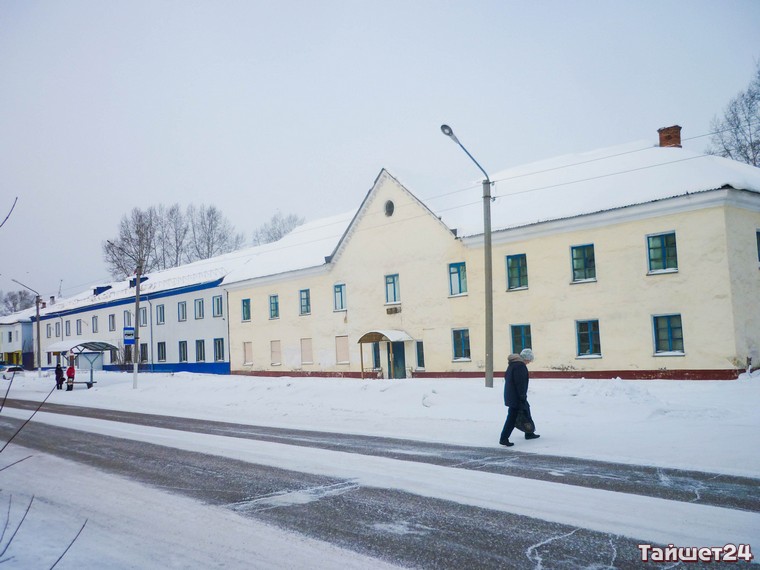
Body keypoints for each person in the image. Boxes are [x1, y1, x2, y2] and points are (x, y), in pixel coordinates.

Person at [499, 348, 540, 447]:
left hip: (512, 394)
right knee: (512, 417)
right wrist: (522, 396)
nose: (529, 362)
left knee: (526, 410)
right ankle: (504, 438)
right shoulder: (520, 366)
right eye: (529, 360)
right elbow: (520, 383)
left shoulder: (512, 365)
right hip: (516, 396)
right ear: (526, 358)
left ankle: (529, 432)